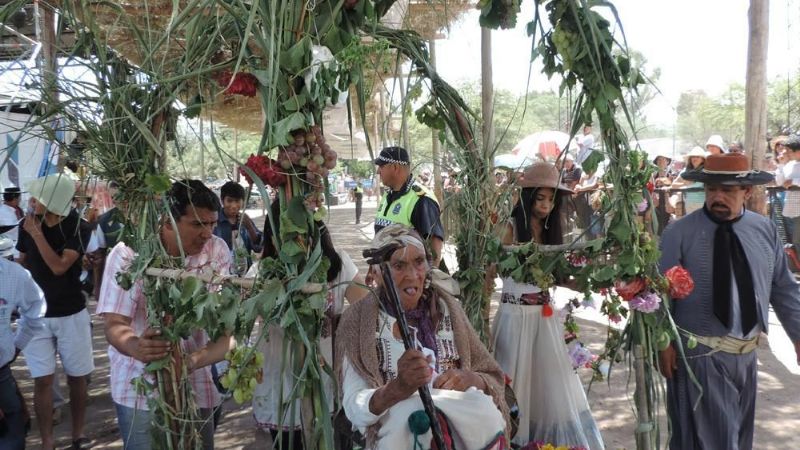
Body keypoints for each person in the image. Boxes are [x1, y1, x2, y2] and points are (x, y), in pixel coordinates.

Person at [658, 152, 800, 450]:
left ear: (747, 191)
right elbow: (660, 295)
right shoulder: (678, 233)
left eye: (728, 190)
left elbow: (783, 287)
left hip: (748, 355)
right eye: (712, 189)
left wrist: (798, 336)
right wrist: (664, 343)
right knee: (713, 441)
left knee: (738, 438)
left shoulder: (763, 229)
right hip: (701, 356)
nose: (718, 196)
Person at [337, 225, 508, 450]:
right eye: (398, 265)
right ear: (375, 273)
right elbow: (354, 406)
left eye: (419, 262)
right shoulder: (358, 321)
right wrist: (396, 389)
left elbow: (492, 376)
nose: (412, 275)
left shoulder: (449, 310)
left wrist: (471, 379)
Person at [97, 179, 234, 450]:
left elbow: (227, 335)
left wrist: (192, 360)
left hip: (196, 382)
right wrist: (136, 346)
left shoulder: (216, 249)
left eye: (211, 223)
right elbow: (114, 324)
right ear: (167, 220)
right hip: (140, 387)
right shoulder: (127, 254)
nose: (207, 233)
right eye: (197, 224)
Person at [492, 162, 603, 449]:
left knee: (552, 385)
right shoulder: (510, 227)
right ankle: (512, 440)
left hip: (544, 317)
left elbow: (558, 278)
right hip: (514, 316)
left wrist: (590, 281)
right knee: (514, 384)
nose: (546, 205)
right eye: (540, 198)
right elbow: (490, 271)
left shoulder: (552, 231)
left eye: (551, 199)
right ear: (527, 197)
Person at [252, 200, 368, 449]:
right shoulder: (260, 275)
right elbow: (233, 328)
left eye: (302, 234)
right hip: (281, 391)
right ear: (272, 239)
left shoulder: (338, 267)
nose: (297, 243)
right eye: (286, 236)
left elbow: (368, 311)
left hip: (327, 385)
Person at [16, 174, 93, 450]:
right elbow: (23, 261)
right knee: (43, 379)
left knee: (77, 377)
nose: (31, 202)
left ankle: (78, 434)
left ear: (53, 202)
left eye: (37, 198)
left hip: (71, 312)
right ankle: (48, 441)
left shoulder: (78, 227)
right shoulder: (27, 227)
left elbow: (60, 266)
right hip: (36, 316)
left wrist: (37, 234)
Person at [0, 235, 46, 449]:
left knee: (12, 437)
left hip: (2, 375)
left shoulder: (12, 274)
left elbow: (36, 308)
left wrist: (16, 345)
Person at [374, 146, 445, 266]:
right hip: (387, 275)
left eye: (381, 166)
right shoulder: (387, 195)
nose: (378, 171)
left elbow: (434, 243)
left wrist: (428, 278)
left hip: (409, 278)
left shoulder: (421, 199)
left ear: (395, 167)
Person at [213, 181, 263, 275]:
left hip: (245, 274)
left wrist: (249, 226)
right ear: (222, 201)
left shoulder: (245, 220)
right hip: (220, 275)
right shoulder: (214, 221)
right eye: (230, 201)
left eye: (237, 201)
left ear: (242, 201)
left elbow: (258, 248)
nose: (234, 206)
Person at [670, 147, 707, 216]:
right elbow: (673, 185)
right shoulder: (685, 171)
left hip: (703, 205)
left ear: (702, 159)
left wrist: (685, 184)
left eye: (697, 157)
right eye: (693, 156)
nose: (694, 158)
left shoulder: (706, 171)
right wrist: (685, 183)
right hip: (689, 204)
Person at [0, 187, 23, 258]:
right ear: (14, 199)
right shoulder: (3, 212)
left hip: (19, 243)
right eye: (19, 197)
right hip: (10, 246)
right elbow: (12, 229)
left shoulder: (16, 209)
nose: (20, 200)